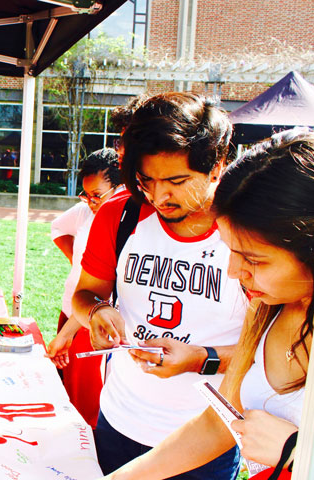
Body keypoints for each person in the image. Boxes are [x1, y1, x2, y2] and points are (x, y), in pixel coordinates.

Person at [104, 128, 314, 479]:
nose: (234, 271)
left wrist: (301, 452)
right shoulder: (267, 306)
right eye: (231, 252)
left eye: (254, 260)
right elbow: (217, 423)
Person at [72, 92, 247, 478]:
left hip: (204, 441)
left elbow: (280, 352)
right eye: (146, 180)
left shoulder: (249, 230)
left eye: (177, 181)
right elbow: (83, 295)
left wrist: (202, 358)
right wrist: (98, 312)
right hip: (117, 421)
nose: (159, 195)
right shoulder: (120, 214)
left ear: (216, 166)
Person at [46, 148, 122, 428]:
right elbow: (57, 229)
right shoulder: (83, 213)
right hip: (70, 308)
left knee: (87, 400)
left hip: (92, 322)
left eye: (97, 195)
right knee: (65, 389)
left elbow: (101, 296)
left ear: (119, 186)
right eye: (85, 194)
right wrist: (76, 262)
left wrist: (70, 332)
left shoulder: (120, 221)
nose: (90, 201)